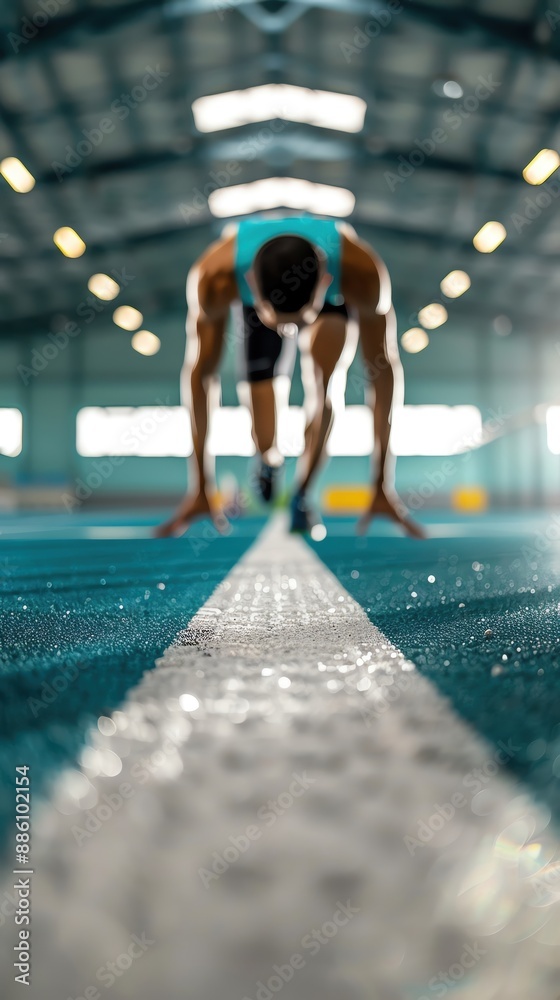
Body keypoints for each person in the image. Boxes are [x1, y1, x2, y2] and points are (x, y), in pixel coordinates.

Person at [157, 212, 423, 538]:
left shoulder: (363, 272)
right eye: (283, 324)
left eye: (299, 323)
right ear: (251, 286)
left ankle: (302, 494)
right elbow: (200, 376)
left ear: (325, 281)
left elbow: (383, 373)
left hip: (330, 302)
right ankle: (269, 459)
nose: (291, 332)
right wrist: (200, 486)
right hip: (271, 297)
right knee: (263, 425)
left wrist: (382, 484)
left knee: (326, 387)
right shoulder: (214, 276)